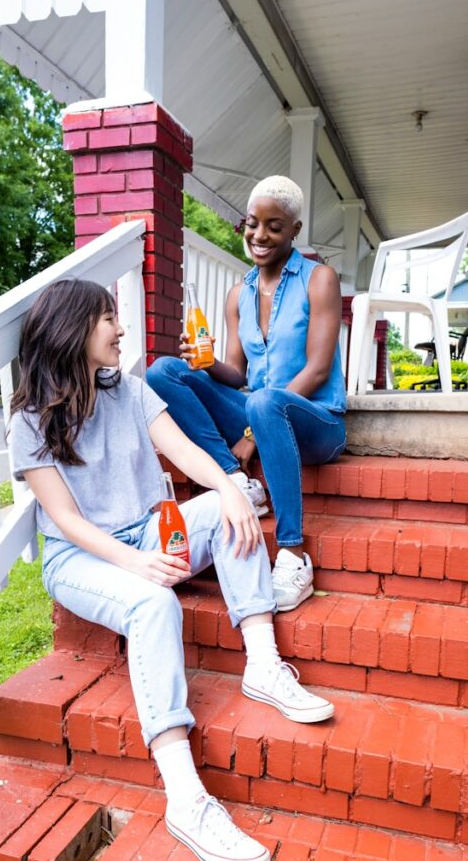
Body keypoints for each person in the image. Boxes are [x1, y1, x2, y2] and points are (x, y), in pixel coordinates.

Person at [7, 278, 334, 861]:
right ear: (74, 328)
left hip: (145, 530)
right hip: (81, 557)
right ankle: (186, 798)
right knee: (154, 606)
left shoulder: (130, 392)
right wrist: (136, 565)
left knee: (224, 508)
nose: (122, 330)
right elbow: (66, 521)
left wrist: (230, 488)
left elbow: (183, 452)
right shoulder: (31, 419)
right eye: (110, 318)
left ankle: (263, 665)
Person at [147, 175, 347, 613]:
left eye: (275, 226)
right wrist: (204, 363)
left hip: (317, 422)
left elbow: (316, 370)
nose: (260, 235)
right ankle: (238, 482)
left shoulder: (320, 280)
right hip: (257, 411)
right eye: (252, 223)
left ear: (294, 231)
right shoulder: (239, 293)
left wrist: (251, 434)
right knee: (164, 371)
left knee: (262, 401)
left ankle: (293, 554)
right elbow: (236, 373)